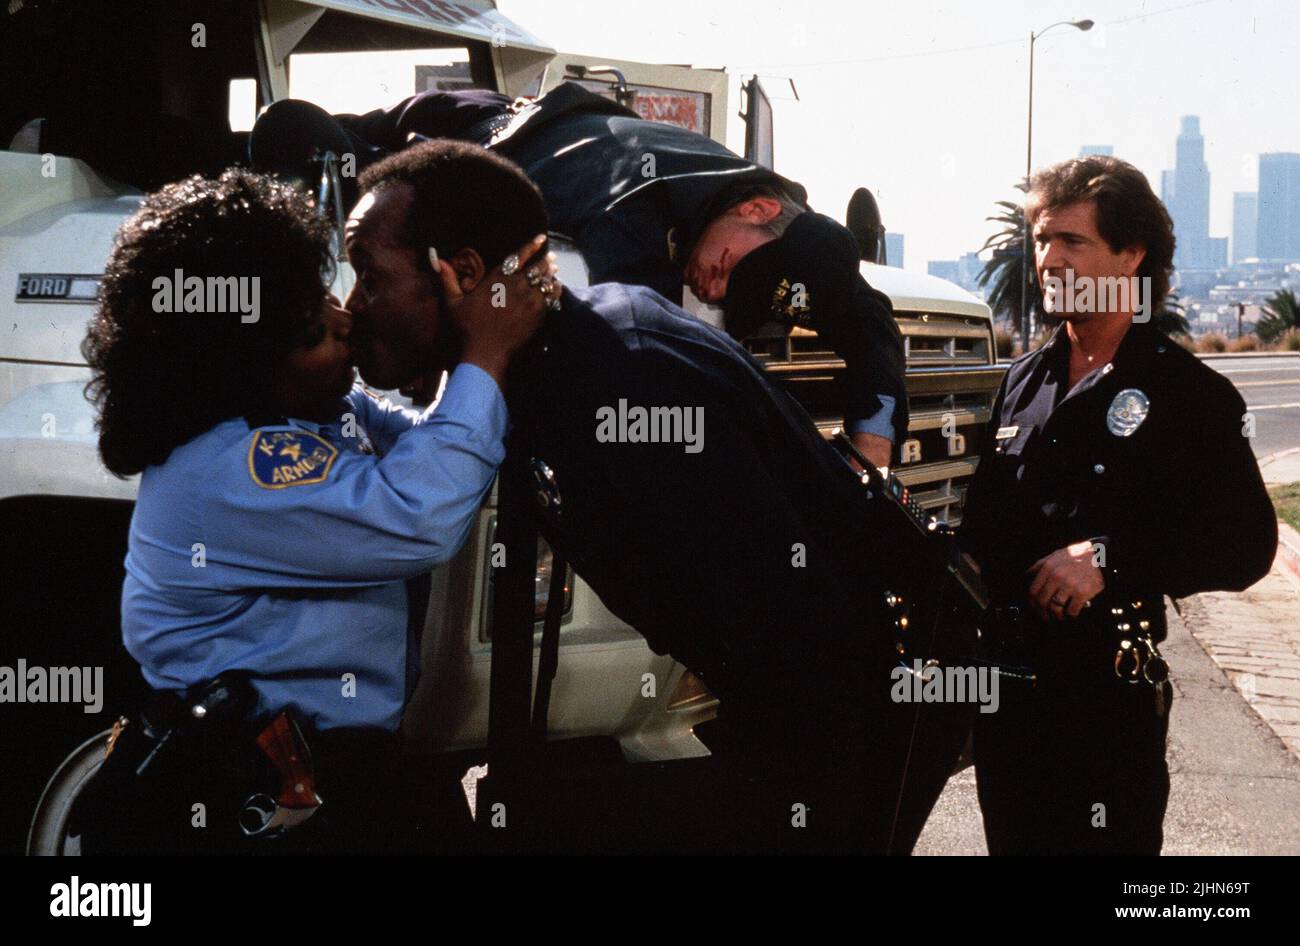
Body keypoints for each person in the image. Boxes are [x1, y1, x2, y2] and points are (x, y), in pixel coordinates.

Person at [342, 139, 959, 854]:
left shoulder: (628, 391)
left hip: (862, 713)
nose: (353, 305)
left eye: (368, 276)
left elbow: (808, 639)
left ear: (464, 275)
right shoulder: (569, 345)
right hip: (820, 704)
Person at [74, 168, 550, 853]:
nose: (343, 318)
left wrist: (448, 358)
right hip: (258, 787)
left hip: (335, 763)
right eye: (308, 331)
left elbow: (433, 449)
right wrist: (486, 351)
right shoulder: (227, 466)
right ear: (239, 366)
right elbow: (418, 512)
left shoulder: (319, 410)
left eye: (322, 296)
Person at [251, 83, 906, 467]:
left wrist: (870, 448)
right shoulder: (630, 227)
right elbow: (617, 363)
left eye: (748, 300)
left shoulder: (800, 237)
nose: (716, 292)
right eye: (733, 272)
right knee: (299, 146)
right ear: (757, 208)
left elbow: (872, 321)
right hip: (465, 131)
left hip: (542, 123)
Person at [959, 155, 1278, 855]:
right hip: (1010, 703)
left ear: (1131, 255)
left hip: (1104, 707)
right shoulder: (1023, 382)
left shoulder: (1185, 394)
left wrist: (1107, 559)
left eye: (1072, 241)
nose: (1048, 259)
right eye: (1041, 240)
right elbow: (984, 530)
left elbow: (1246, 546)